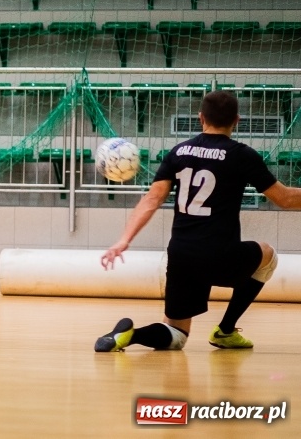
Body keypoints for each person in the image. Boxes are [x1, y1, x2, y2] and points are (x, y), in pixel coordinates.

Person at [94, 90, 301, 352]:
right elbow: (284, 198)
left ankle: (130, 336)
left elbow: (152, 200)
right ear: (236, 120)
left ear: (200, 117)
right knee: (268, 255)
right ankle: (226, 331)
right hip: (220, 255)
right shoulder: (242, 154)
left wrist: (123, 240)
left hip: (181, 255)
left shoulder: (179, 152)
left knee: (176, 333)